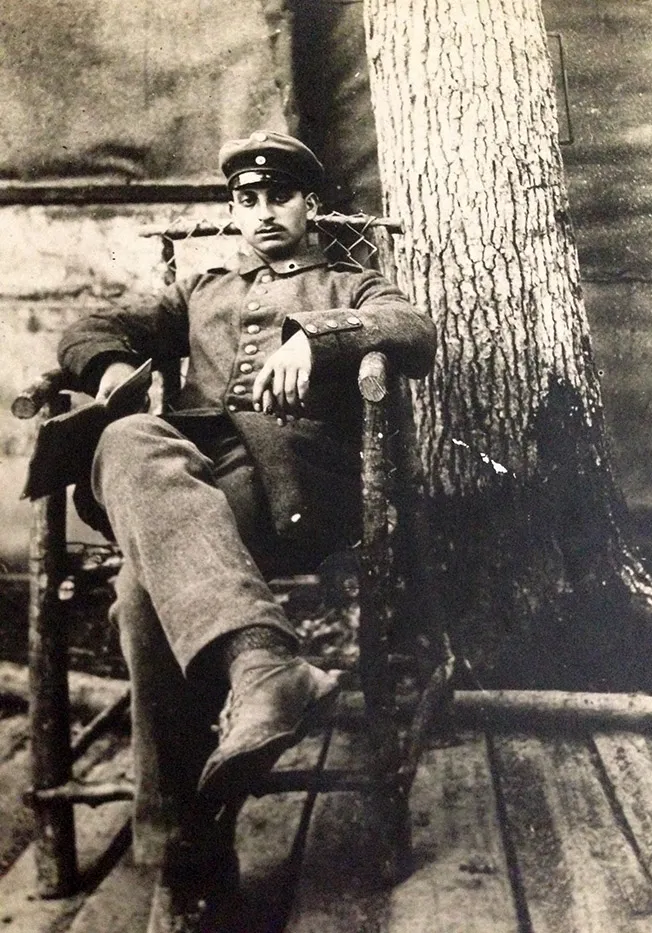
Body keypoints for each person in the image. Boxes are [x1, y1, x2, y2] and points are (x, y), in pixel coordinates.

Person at [57, 131, 436, 932]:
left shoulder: (348, 280)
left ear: (310, 205)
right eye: (248, 199)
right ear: (235, 210)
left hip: (297, 496)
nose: (264, 213)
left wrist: (319, 335)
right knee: (123, 440)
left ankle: (181, 855)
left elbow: (413, 331)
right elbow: (91, 327)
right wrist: (104, 373)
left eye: (280, 197)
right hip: (197, 493)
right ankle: (262, 660)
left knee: (143, 586)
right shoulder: (201, 290)